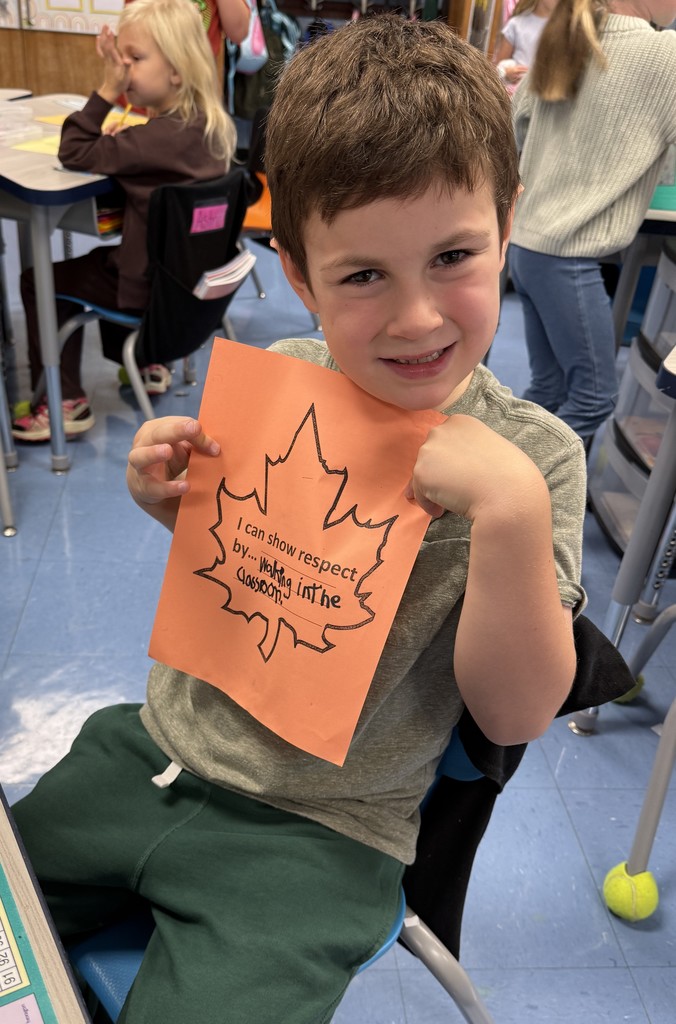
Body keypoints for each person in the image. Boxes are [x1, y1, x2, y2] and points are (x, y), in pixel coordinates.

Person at [11, 17, 587, 1023]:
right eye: (363, 274)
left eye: (454, 254)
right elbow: (263, 574)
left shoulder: (536, 461)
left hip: (320, 835)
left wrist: (508, 515)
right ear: (299, 275)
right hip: (149, 749)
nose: (416, 317)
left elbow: (514, 715)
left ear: (508, 225)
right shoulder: (282, 383)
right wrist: (174, 508)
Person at [12, 0, 237, 443]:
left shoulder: (149, 140)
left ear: (176, 70)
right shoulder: (214, 130)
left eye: (135, 59)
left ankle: (64, 402)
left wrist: (107, 90)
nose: (124, 69)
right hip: (185, 289)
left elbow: (73, 151)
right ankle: (150, 366)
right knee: (113, 256)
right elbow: (149, 155)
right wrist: (128, 144)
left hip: (143, 291)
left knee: (38, 280)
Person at [509, 0, 676, 449]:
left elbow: (518, 127)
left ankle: (492, 492)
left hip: (526, 246)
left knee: (548, 390)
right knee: (594, 397)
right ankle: (525, 495)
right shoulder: (666, 56)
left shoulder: (567, 34)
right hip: (568, 257)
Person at [493, 0, 557, 95]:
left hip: (545, 97)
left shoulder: (566, 30)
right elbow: (495, 72)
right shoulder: (516, 24)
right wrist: (507, 73)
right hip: (515, 96)